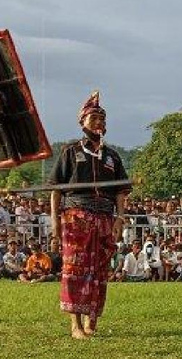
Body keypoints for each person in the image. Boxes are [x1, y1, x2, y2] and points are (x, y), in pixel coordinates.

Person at [49, 91, 129, 339]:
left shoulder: (112, 156)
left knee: (99, 269)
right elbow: (56, 190)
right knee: (75, 268)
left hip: (105, 216)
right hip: (77, 215)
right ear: (82, 121)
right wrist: (54, 222)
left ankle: (91, 319)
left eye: (102, 119)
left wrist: (119, 218)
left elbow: (120, 192)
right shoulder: (70, 151)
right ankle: (76, 325)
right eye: (93, 118)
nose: (99, 122)